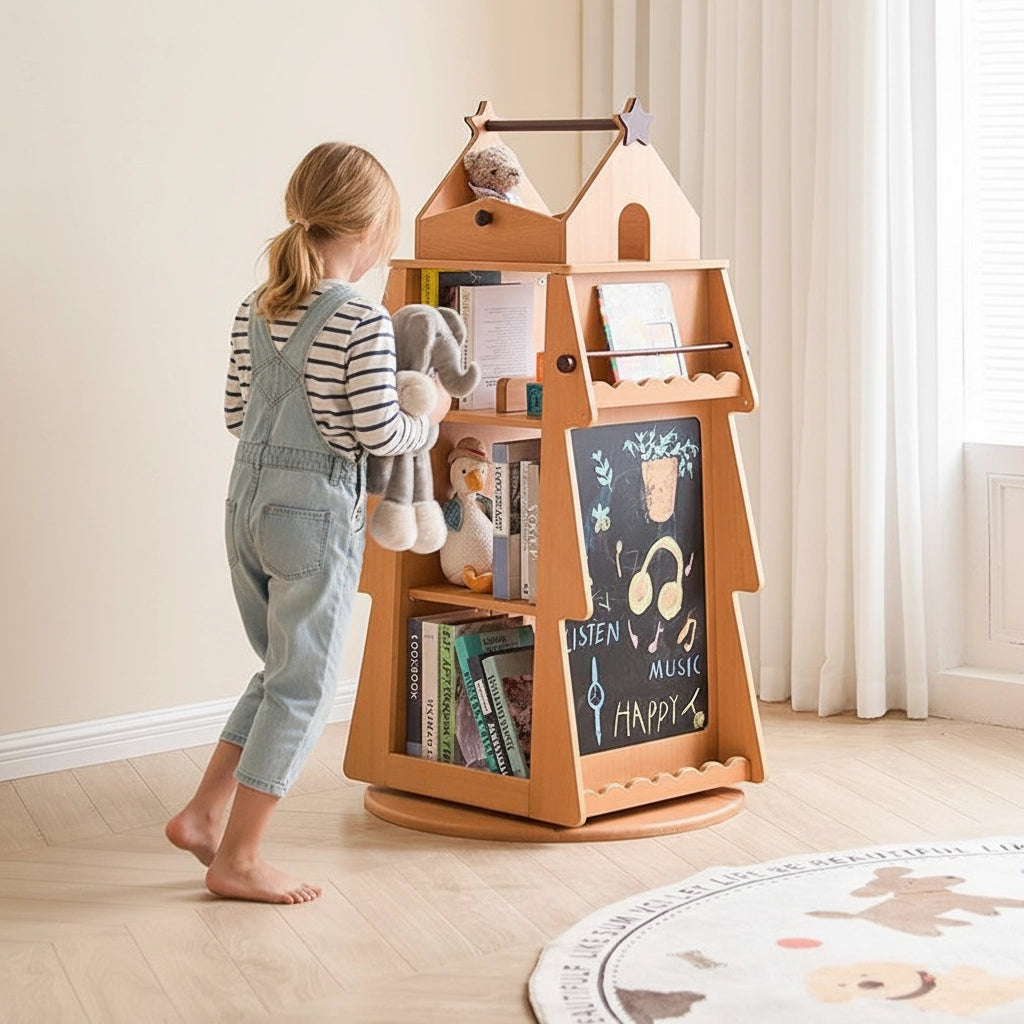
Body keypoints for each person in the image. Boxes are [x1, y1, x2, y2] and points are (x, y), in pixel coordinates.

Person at [166, 142, 448, 904]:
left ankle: (203, 815)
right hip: (312, 518)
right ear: (374, 229)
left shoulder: (255, 307)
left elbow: (237, 416)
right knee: (305, 685)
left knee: (278, 671)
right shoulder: (362, 318)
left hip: (246, 507)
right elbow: (380, 431)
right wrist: (433, 417)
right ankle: (240, 858)